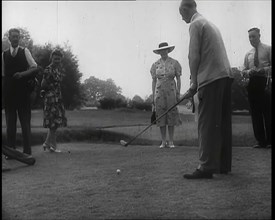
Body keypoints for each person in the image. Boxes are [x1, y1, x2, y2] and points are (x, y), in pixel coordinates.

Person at [179, 0, 234, 179]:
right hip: (225, 76)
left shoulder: (195, 24)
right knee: (222, 122)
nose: (182, 18)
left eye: (181, 13)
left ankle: (206, 167)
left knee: (207, 123)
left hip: (210, 78)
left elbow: (194, 56)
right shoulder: (210, 24)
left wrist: (193, 82)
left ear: (186, 9)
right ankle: (223, 165)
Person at [2, 28, 38, 158]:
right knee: (10, 126)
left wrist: (22, 74)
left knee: (25, 124)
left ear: (20, 38)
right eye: (13, 36)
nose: (16, 38)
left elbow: (35, 67)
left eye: (18, 36)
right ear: (9, 38)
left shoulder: (25, 51)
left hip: (23, 94)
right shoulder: (4, 54)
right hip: (9, 95)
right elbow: (3, 76)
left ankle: (27, 152)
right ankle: (11, 153)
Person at [241, 28, 271, 149]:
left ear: (259, 36)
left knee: (268, 112)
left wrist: (262, 69)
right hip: (252, 84)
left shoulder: (268, 49)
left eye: (253, 36)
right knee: (255, 113)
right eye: (249, 37)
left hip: (265, 82)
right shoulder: (248, 54)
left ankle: (270, 141)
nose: (251, 39)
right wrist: (249, 71)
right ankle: (260, 141)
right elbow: (243, 71)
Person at [150, 42, 182, 148]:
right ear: (159, 52)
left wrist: (178, 93)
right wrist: (153, 95)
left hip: (171, 91)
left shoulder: (175, 63)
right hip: (159, 92)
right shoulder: (155, 64)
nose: (163, 52)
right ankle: (163, 141)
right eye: (161, 50)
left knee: (171, 114)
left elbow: (178, 78)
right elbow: (154, 81)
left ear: (168, 51)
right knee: (161, 115)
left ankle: (171, 141)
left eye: (165, 50)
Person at [41, 49, 67, 152]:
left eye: (59, 59)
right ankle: (53, 146)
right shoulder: (48, 69)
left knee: (56, 122)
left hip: (58, 98)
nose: (57, 61)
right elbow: (43, 84)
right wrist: (49, 89)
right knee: (53, 123)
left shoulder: (57, 69)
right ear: (52, 58)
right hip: (51, 99)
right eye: (55, 58)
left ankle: (47, 143)